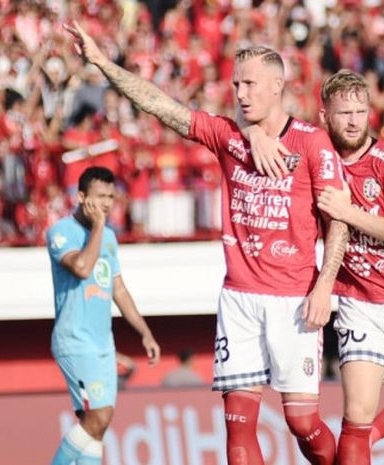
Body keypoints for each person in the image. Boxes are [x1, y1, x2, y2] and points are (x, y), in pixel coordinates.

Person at [65, 22, 349, 465]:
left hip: (294, 299)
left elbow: (339, 224)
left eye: (250, 83)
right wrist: (103, 63)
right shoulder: (229, 136)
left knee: (302, 423)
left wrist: (325, 286)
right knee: (237, 428)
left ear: (277, 86)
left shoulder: (313, 144)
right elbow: (161, 105)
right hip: (239, 298)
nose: (240, 93)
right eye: (236, 84)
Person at [248, 69, 384, 465]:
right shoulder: (315, 153)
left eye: (361, 111)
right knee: (355, 419)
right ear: (325, 115)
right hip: (360, 302)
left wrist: (349, 213)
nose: (355, 120)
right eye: (345, 113)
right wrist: (256, 133)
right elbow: (265, 125)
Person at [46, 166, 160, 465]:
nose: (107, 204)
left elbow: (118, 290)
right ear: (81, 197)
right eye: (100, 196)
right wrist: (97, 228)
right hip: (74, 340)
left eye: (111, 196)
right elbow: (82, 267)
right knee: (99, 416)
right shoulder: (61, 232)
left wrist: (144, 332)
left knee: (97, 426)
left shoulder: (109, 237)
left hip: (103, 344)